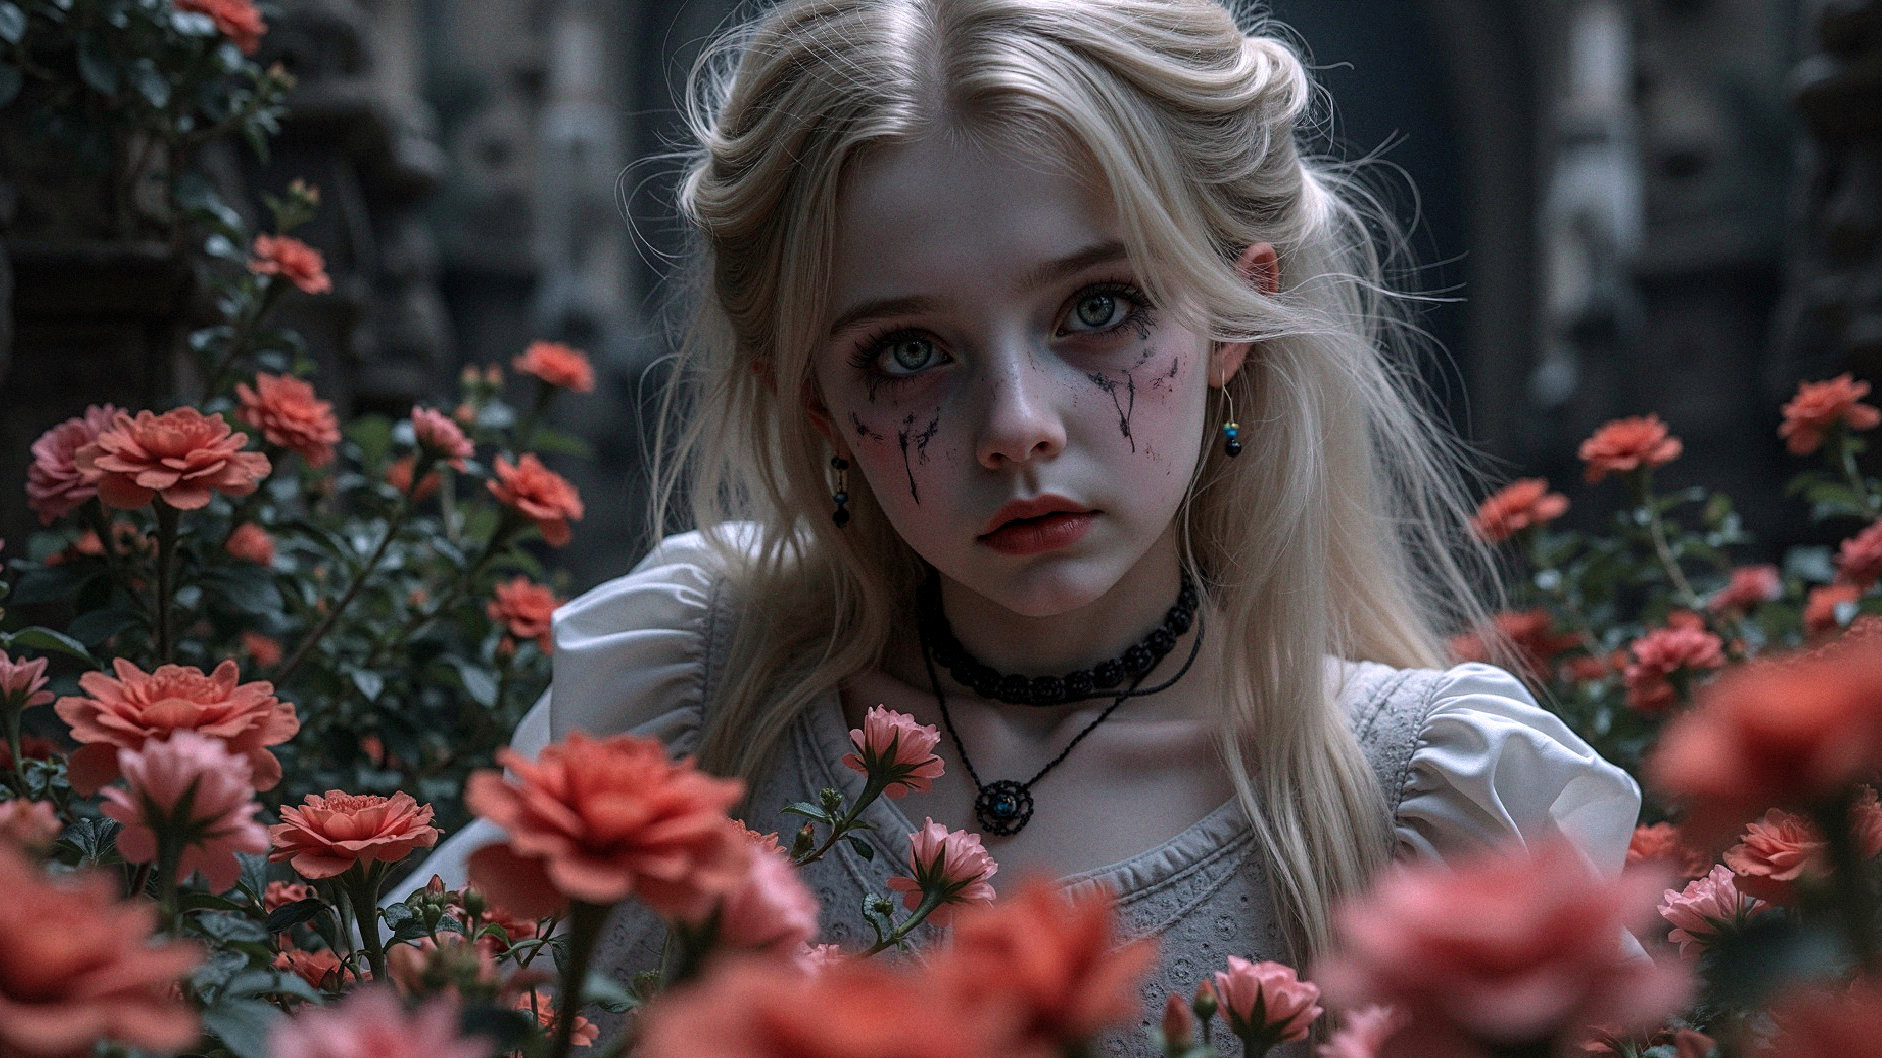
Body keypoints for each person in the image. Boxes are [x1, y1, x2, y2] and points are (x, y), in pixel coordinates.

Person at [409, 0, 1639, 1051]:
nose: (1014, 425)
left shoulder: (1416, 800)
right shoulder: (691, 705)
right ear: (815, 401)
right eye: (906, 351)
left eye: (1097, 307)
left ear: (1231, 315)